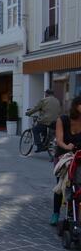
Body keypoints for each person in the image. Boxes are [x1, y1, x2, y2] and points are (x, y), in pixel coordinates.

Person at [51, 96, 81, 225]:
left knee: (77, 186)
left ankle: (73, 213)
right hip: (63, 157)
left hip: (78, 157)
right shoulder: (63, 120)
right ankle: (55, 213)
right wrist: (67, 147)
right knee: (62, 184)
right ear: (76, 106)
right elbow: (59, 140)